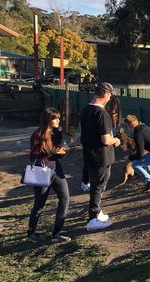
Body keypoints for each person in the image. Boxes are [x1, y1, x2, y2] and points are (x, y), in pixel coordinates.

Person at [27, 107, 71, 243]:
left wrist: (61, 152)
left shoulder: (56, 133)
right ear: (48, 120)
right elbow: (34, 156)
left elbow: (56, 152)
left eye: (58, 118)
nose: (58, 121)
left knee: (65, 198)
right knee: (40, 203)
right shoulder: (38, 135)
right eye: (55, 119)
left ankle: (56, 233)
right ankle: (31, 233)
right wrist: (52, 152)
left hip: (56, 168)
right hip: (41, 169)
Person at [80, 82, 120, 231]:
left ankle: (97, 211)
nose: (110, 98)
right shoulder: (102, 114)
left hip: (89, 154)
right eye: (110, 95)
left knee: (96, 184)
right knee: (99, 186)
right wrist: (116, 140)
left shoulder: (86, 110)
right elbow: (106, 140)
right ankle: (93, 218)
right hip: (101, 156)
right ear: (105, 94)